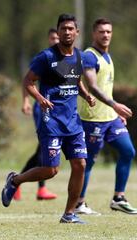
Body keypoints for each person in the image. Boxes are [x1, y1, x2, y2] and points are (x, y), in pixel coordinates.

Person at [1, 13, 96, 224]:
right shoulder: (46, 57)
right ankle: (15, 180)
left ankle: (69, 214)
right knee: (51, 170)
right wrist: (40, 98)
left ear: (77, 33)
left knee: (80, 164)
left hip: (73, 122)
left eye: (71, 28)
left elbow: (76, 80)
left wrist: (86, 94)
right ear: (58, 31)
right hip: (51, 121)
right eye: (63, 28)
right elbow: (27, 81)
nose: (67, 32)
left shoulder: (80, 57)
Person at [75, 18, 136, 215]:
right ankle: (79, 203)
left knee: (128, 151)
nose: (106, 35)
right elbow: (92, 86)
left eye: (109, 31)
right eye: (101, 31)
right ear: (94, 34)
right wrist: (115, 105)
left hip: (110, 118)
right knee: (88, 162)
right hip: (92, 119)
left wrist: (114, 112)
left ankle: (118, 198)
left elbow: (105, 89)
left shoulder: (107, 56)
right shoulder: (89, 56)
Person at [14, 28, 60, 201]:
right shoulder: (45, 58)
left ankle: (19, 182)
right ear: (49, 39)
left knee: (43, 150)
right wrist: (26, 101)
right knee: (45, 148)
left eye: (58, 37)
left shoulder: (66, 58)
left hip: (58, 111)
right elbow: (28, 81)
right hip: (42, 109)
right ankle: (30, 186)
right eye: (53, 37)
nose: (56, 40)